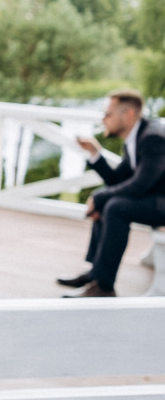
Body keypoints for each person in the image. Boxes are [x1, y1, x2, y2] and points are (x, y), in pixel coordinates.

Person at [58, 89, 165, 296]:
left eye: (108, 114)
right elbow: (118, 181)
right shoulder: (137, 136)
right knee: (109, 200)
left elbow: (141, 185)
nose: (103, 119)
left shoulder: (153, 138)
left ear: (129, 114)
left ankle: (104, 286)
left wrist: (100, 197)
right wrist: (95, 153)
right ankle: (97, 274)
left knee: (115, 206)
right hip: (155, 199)